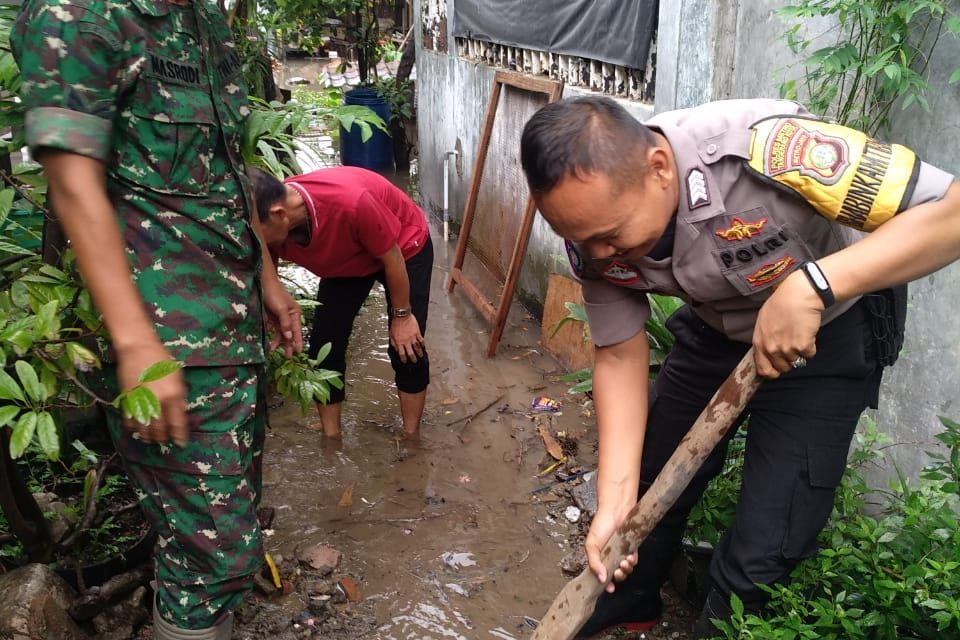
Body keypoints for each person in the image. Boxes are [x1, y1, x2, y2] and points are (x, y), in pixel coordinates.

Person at [519, 96, 960, 638]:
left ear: (658, 168)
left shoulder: (769, 150)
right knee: (652, 475)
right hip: (718, 326)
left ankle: (724, 627)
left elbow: (953, 211)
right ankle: (631, 602)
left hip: (826, 334)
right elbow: (617, 352)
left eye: (611, 236)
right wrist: (613, 505)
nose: (600, 255)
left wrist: (816, 284)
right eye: (584, 241)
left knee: (769, 539)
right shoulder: (591, 231)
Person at [11, 1, 303, 639]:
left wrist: (268, 279)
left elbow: (226, 177)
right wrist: (137, 342)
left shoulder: (205, 23)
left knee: (227, 534)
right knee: (214, 554)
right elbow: (71, 183)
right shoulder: (82, 15)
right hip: (167, 340)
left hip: (231, 333)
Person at [248, 166, 433, 439]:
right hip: (347, 259)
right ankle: (331, 438)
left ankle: (410, 437)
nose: (251, 242)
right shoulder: (267, 218)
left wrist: (402, 316)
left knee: (407, 346)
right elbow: (268, 276)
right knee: (325, 344)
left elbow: (392, 256)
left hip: (402, 248)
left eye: (255, 235)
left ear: (279, 216)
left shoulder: (351, 203)